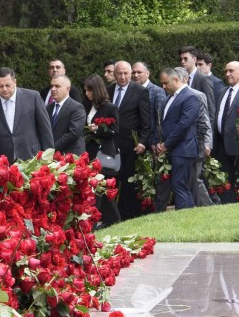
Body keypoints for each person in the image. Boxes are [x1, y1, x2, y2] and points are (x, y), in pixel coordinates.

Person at [109, 61, 155, 217]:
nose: (122, 77)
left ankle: (129, 215)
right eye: (119, 74)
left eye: (126, 73)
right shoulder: (108, 91)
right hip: (111, 145)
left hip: (131, 145)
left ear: (130, 73)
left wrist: (142, 141)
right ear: (114, 74)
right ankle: (112, 215)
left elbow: (146, 120)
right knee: (110, 181)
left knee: (129, 182)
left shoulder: (140, 91)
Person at [0, 67, 55, 161]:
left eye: (8, 85)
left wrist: (48, 158)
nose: (4, 89)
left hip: (31, 157)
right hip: (3, 161)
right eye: (0, 86)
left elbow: (45, 130)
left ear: (15, 82)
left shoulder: (33, 97)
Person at [156, 67, 203, 210]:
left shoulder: (190, 97)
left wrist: (166, 145)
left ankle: (184, 217)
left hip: (183, 149)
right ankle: (188, 216)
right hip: (173, 149)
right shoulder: (169, 98)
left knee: (179, 185)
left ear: (175, 79)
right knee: (179, 185)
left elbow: (184, 125)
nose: (163, 87)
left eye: (165, 83)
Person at [82, 76, 123, 224]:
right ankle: (111, 219)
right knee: (98, 189)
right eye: (86, 90)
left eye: (89, 90)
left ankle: (103, 220)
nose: (87, 94)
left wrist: (98, 129)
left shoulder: (110, 108)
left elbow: (114, 130)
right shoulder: (86, 106)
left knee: (101, 188)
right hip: (89, 152)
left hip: (103, 153)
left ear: (97, 90)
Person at [211, 61, 239, 200]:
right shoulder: (222, 91)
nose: (227, 74)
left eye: (231, 71)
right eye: (226, 71)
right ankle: (229, 206)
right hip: (221, 143)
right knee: (225, 180)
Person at [47, 75, 86, 156]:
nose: (53, 89)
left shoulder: (77, 107)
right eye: (52, 86)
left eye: (57, 86)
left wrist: (52, 149)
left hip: (70, 156)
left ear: (68, 88)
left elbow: (73, 133)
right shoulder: (48, 108)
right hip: (52, 156)